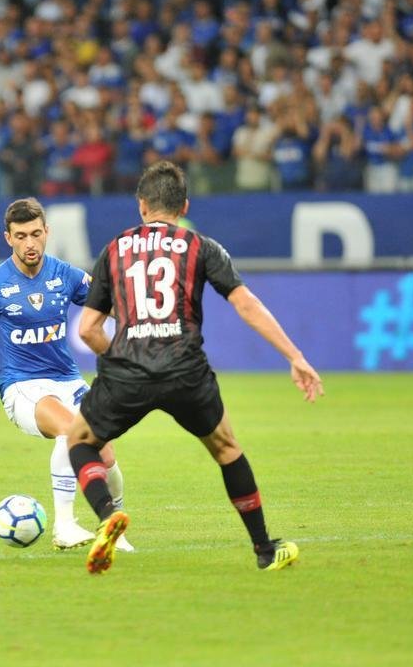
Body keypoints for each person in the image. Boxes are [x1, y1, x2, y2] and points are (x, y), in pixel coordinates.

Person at [65, 160, 323, 575]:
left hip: (127, 369)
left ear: (141, 205)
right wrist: (295, 356)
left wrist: (123, 355)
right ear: (183, 205)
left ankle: (106, 516)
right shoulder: (201, 246)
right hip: (186, 370)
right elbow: (245, 304)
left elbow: (89, 328)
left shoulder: (113, 250)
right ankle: (263, 549)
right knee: (226, 449)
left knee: (79, 441)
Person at [0, 198, 131, 552]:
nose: (30, 243)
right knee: (73, 433)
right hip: (22, 387)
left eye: (35, 234)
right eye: (20, 236)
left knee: (105, 453)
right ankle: (64, 526)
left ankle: (114, 529)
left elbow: (107, 303)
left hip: (68, 381)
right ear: (8, 238)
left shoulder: (65, 274)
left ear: (47, 232)